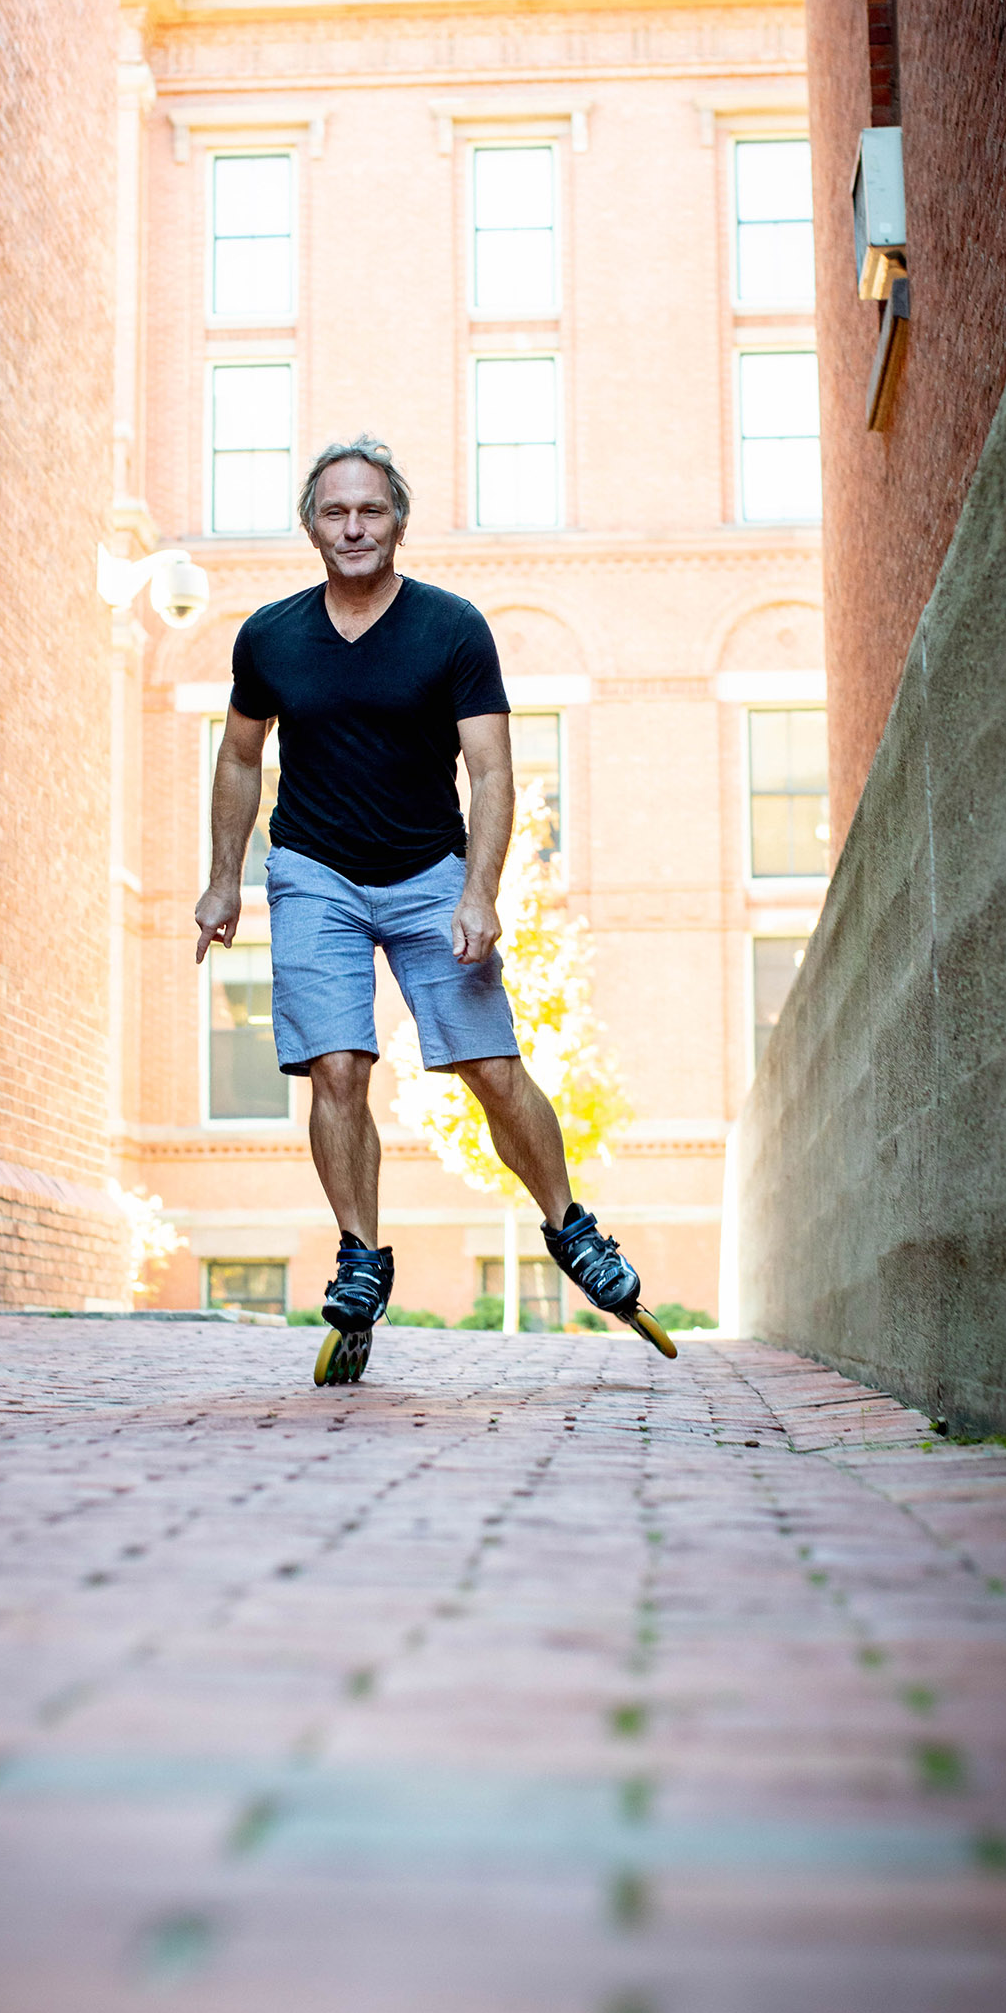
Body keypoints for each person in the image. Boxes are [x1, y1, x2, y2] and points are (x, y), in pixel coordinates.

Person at [193, 435, 675, 1364]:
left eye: (370, 510)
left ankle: (570, 1225)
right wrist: (223, 876)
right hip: (312, 873)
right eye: (335, 512)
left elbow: (491, 774)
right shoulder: (270, 636)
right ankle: (360, 1256)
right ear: (310, 526)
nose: (353, 527)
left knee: (489, 1068)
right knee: (336, 1067)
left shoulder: (451, 628)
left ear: (398, 521)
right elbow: (240, 755)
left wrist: (480, 893)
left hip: (427, 877)